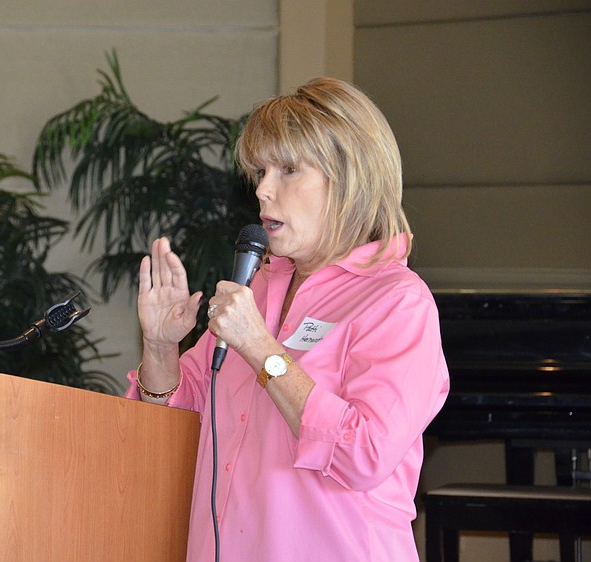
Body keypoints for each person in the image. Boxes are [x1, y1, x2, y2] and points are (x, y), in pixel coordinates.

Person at [125, 77, 450, 562]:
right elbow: (175, 429)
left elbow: (365, 454)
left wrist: (261, 349)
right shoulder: (257, 289)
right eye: (260, 171)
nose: (264, 190)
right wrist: (159, 346)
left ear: (349, 178)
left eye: (288, 170)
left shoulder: (397, 303)